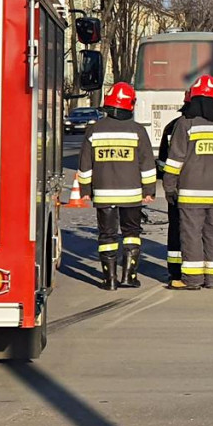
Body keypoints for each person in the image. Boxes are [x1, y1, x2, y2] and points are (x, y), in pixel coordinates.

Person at [78, 82, 156, 291]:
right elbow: (147, 164)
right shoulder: (137, 131)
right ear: (130, 105)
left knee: (107, 236)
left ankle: (109, 279)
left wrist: (85, 190)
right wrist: (149, 190)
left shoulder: (94, 130)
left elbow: (85, 165)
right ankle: (129, 276)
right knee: (131, 232)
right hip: (131, 194)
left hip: (104, 194)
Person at [162, 75, 213, 290]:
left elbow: (175, 160)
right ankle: (212, 279)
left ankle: (192, 280)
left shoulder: (186, 124)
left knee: (191, 234)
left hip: (189, 192)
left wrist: (169, 187)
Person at [157, 89, 190, 287]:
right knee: (200, 230)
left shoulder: (172, 127)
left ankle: (175, 271)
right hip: (201, 188)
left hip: (177, 187)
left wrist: (169, 184)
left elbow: (162, 163)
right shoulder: (209, 126)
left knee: (176, 228)